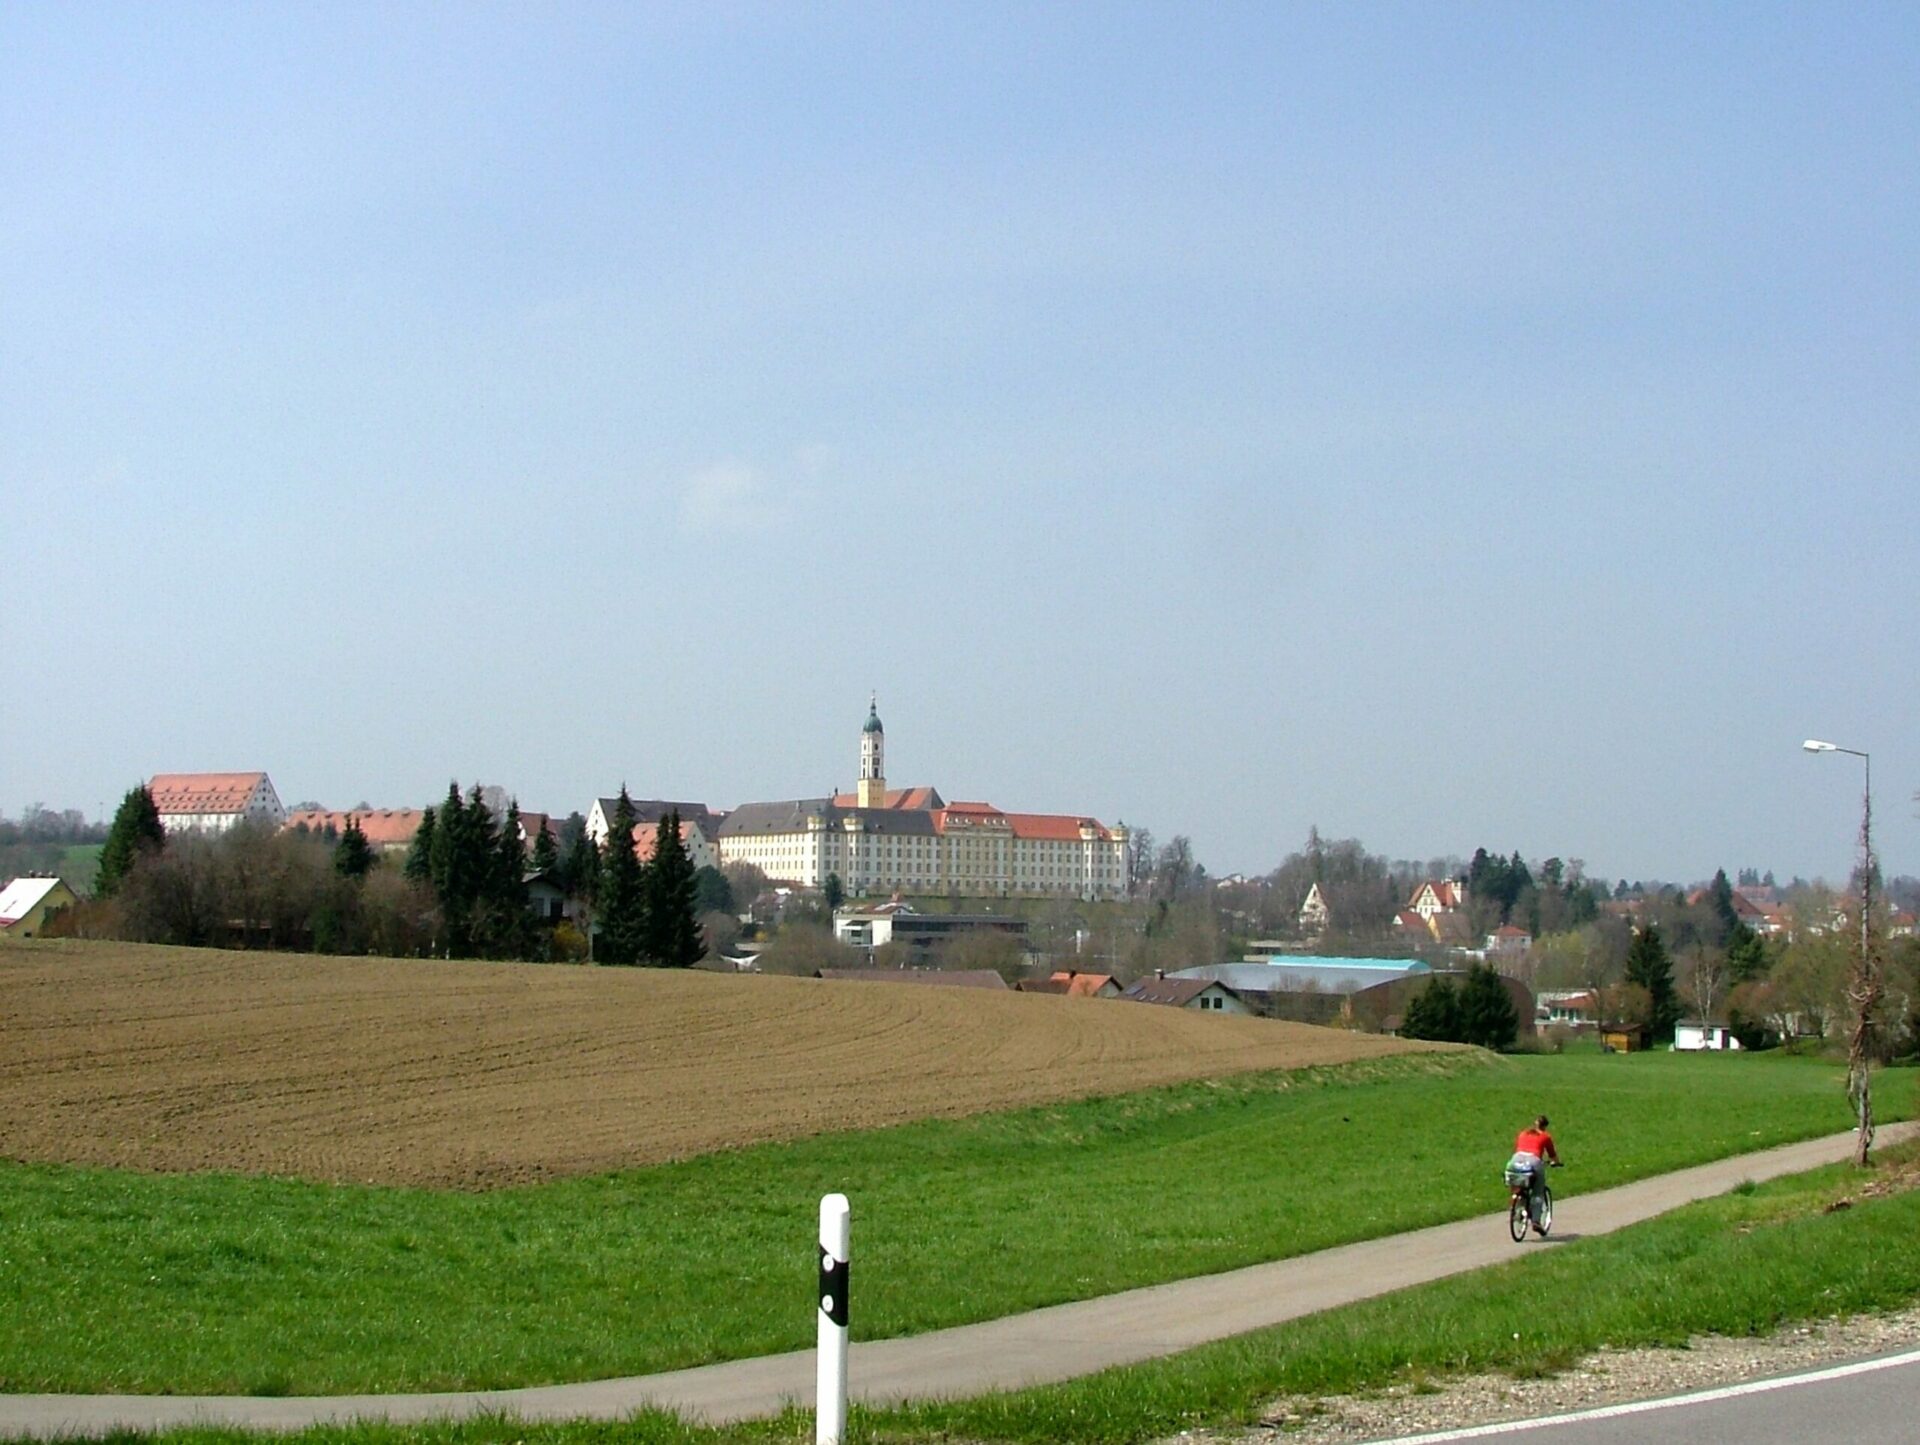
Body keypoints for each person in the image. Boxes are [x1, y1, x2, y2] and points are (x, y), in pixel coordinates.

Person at [1506, 1115, 1562, 1226]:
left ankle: (1514, 1203)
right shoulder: (1545, 1136)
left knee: (1516, 1184)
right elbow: (1552, 1155)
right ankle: (1536, 1221)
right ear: (1545, 1126)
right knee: (1538, 1191)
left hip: (1515, 1160)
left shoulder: (1523, 1134)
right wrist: (1556, 1163)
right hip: (1533, 1161)